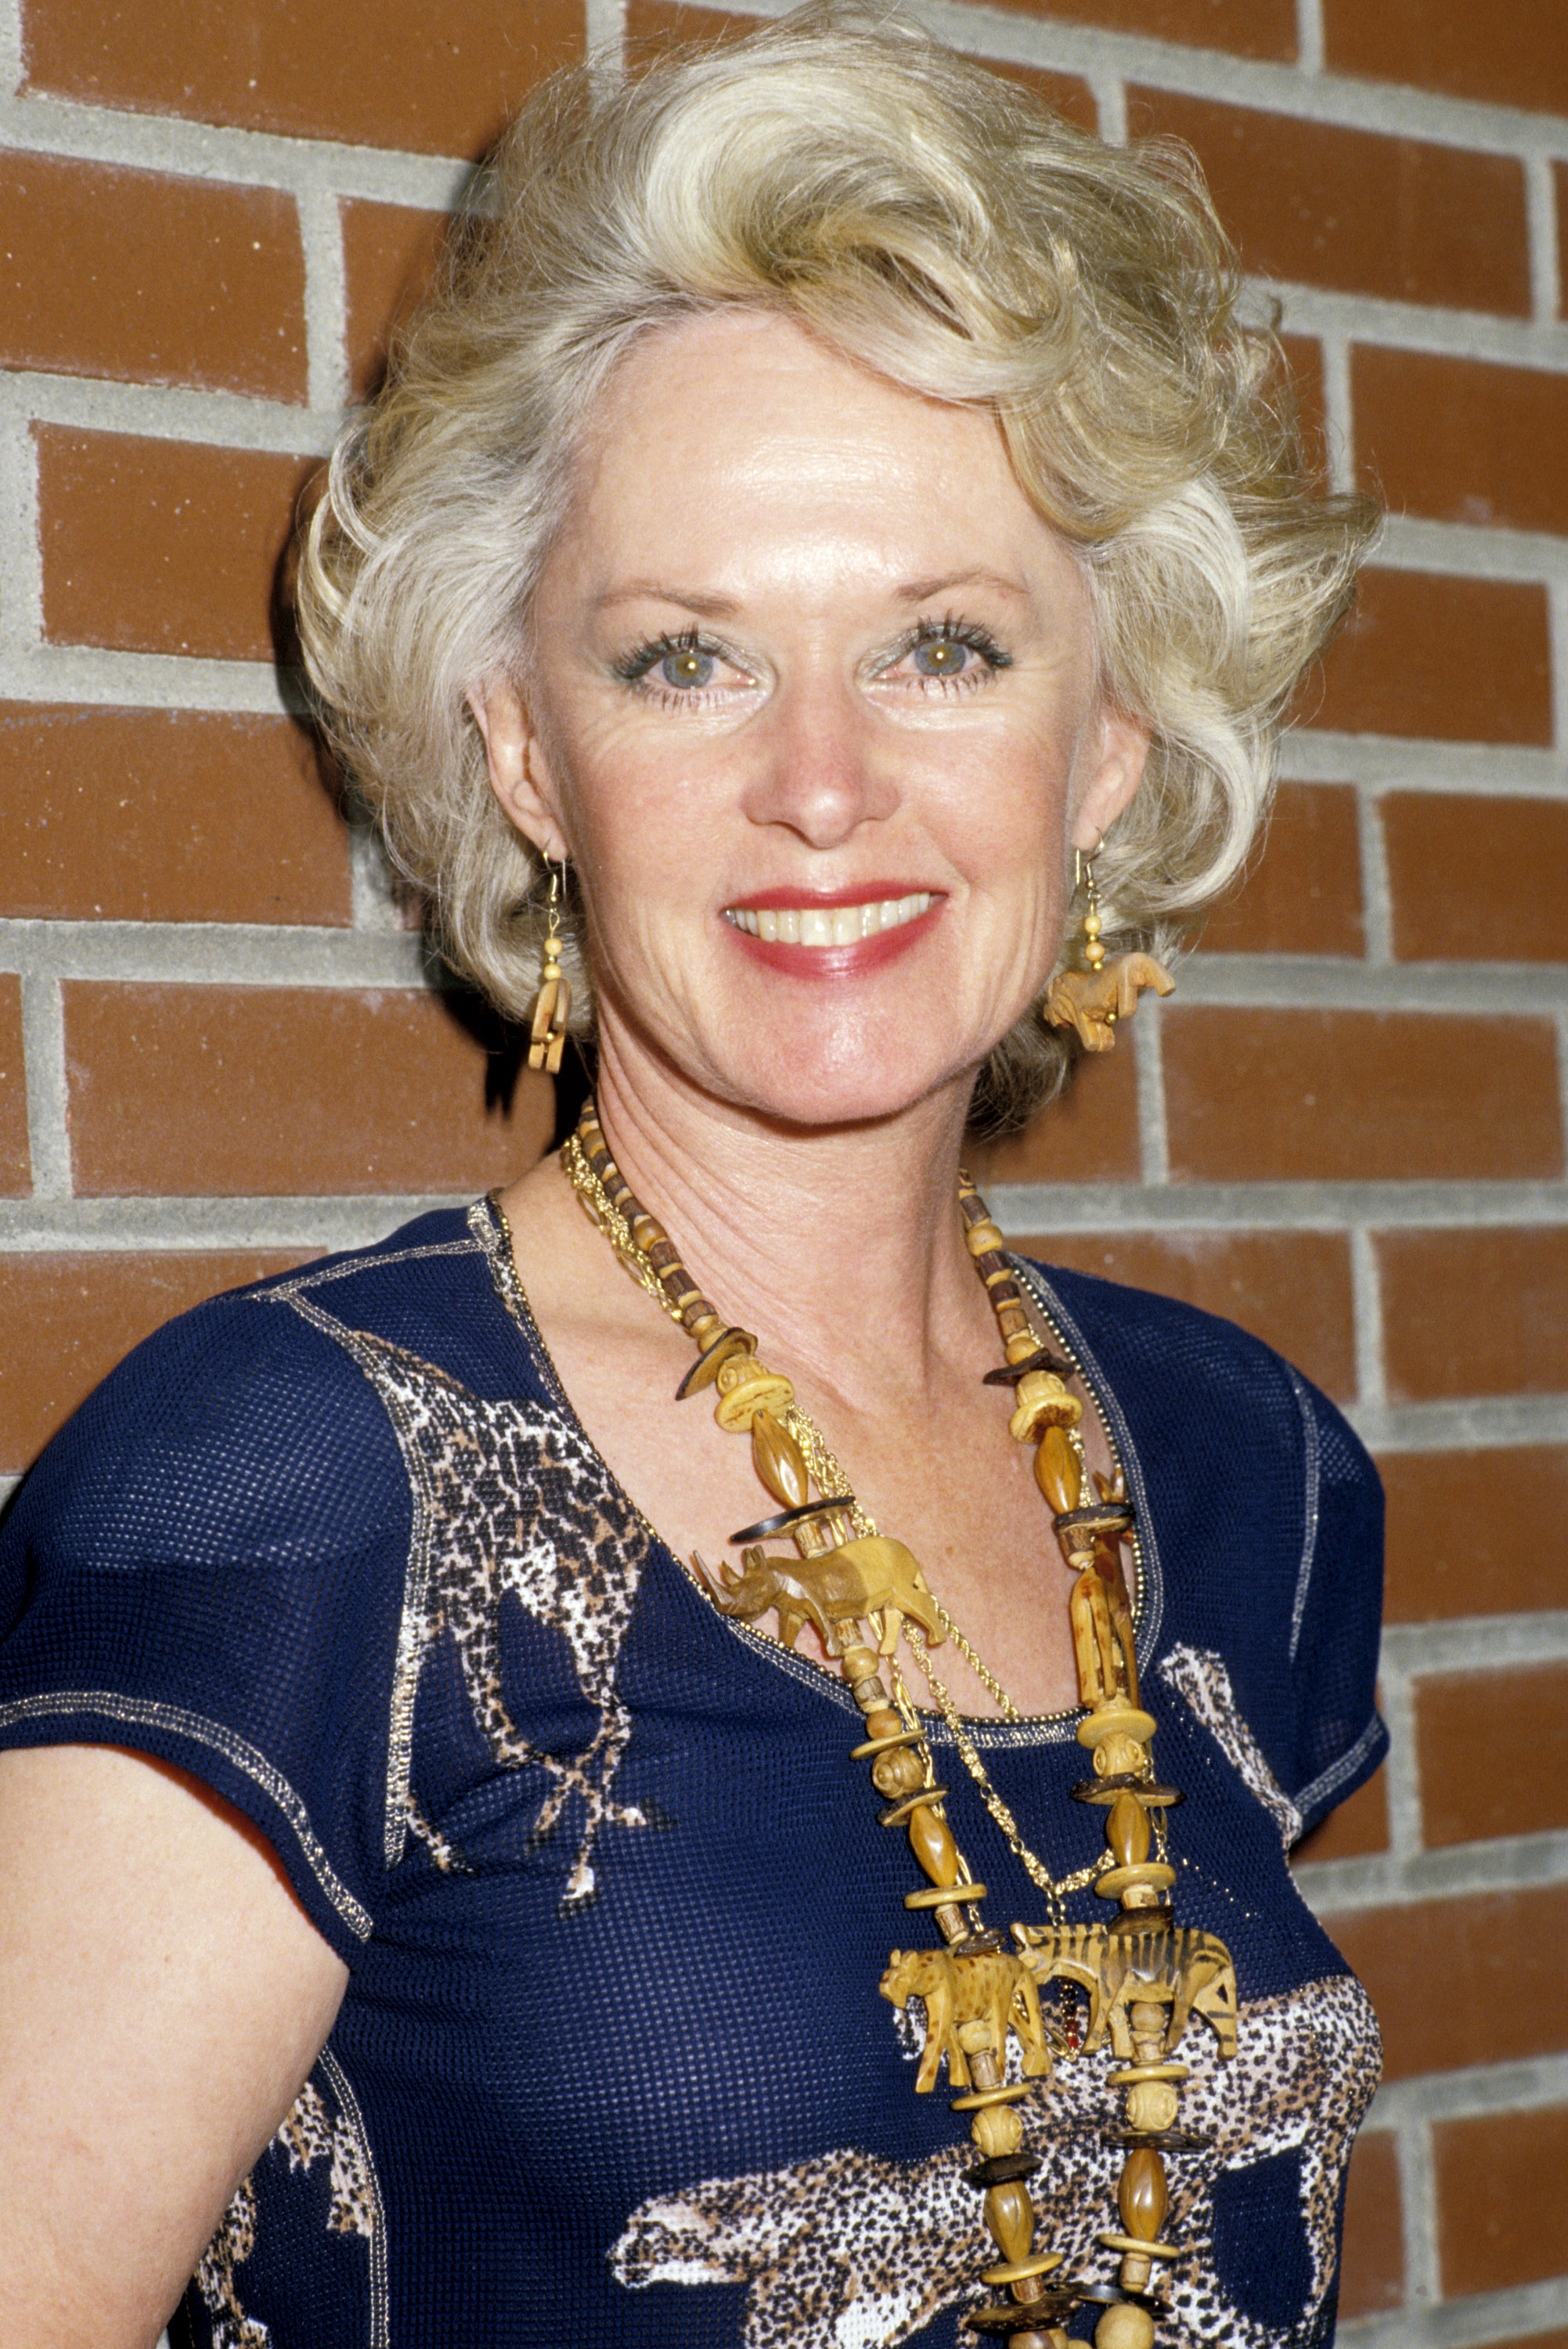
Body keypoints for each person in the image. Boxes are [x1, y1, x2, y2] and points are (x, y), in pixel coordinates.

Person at [0, 11, 1386, 2345]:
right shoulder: (291, 1487)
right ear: (528, 752)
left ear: (1110, 741)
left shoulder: (1248, 1470)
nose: (821, 783)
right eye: (684, 663)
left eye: (945, 645)